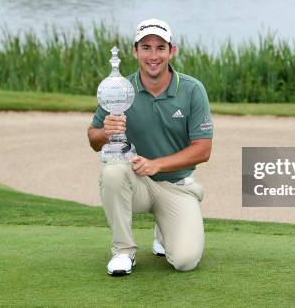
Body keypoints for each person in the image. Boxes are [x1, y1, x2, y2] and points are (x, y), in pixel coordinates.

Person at [87, 18, 214, 276]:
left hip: (177, 187)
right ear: (135, 51)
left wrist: (157, 164)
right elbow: (93, 139)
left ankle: (164, 233)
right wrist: (105, 132)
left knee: (185, 261)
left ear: (172, 51)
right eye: (146, 47)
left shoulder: (192, 90)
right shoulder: (120, 89)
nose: (153, 55)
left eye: (160, 47)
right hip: (138, 184)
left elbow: (203, 150)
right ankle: (123, 252)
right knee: (112, 172)